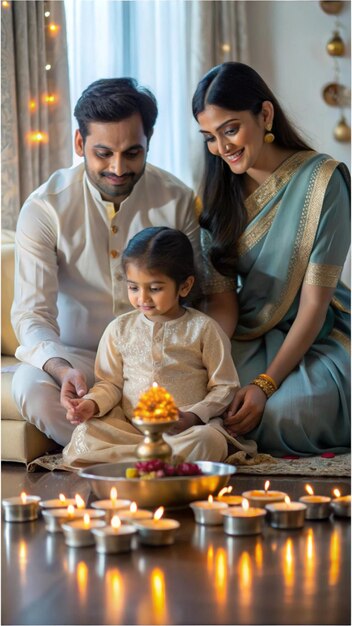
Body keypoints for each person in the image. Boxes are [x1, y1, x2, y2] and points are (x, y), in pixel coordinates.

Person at [11, 77, 228, 448]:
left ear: (148, 143)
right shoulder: (45, 208)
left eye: (132, 152)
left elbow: (195, 297)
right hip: (78, 360)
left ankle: (107, 452)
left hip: (159, 358)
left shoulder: (177, 199)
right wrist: (62, 370)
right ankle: (154, 456)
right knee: (29, 387)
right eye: (103, 153)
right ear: (80, 144)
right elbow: (32, 317)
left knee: (196, 415)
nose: (118, 167)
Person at [192, 62, 350, 457]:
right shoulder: (218, 194)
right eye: (209, 137)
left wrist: (264, 385)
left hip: (317, 333)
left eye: (230, 129)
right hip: (248, 331)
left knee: (286, 414)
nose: (222, 148)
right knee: (210, 405)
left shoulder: (324, 181)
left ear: (264, 114)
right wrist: (207, 361)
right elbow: (224, 301)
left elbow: (314, 305)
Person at [62, 227, 256, 466]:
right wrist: (90, 404)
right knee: (86, 434)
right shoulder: (118, 329)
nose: (142, 298)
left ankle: (136, 463)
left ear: (184, 287)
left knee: (208, 441)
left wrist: (194, 416)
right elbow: (109, 384)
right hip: (131, 432)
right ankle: (156, 461)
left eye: (154, 289)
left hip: (183, 432)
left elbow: (225, 387)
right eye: (134, 287)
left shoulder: (204, 328)